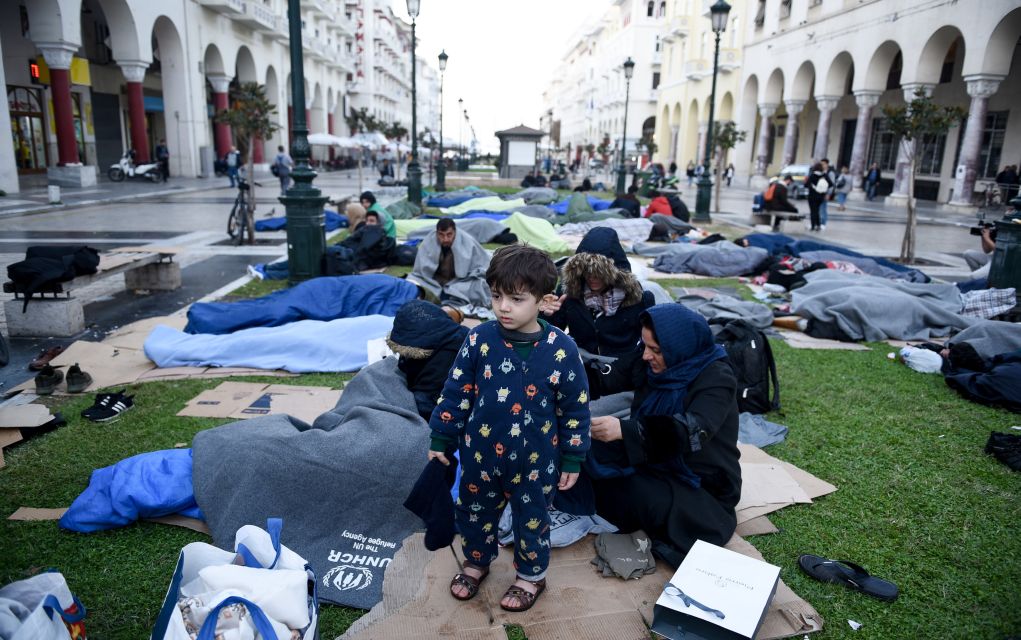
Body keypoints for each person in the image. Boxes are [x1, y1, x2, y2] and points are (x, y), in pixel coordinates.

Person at [428, 244, 591, 611]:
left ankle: (530, 577)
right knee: (474, 512)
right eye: (497, 296)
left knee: (532, 520)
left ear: (543, 300)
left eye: (516, 299)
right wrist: (442, 434)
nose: (503, 307)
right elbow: (455, 391)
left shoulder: (562, 350)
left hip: (537, 462)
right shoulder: (479, 340)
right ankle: (475, 562)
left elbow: (575, 409)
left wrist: (573, 458)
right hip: (481, 457)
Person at [581, 303, 741, 567]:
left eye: (655, 350)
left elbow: (691, 430)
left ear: (680, 348)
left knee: (629, 492)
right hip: (652, 457)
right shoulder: (651, 361)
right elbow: (611, 376)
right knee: (584, 451)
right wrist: (562, 379)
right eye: (644, 346)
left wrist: (624, 430)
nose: (645, 356)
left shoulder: (717, 379)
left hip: (699, 483)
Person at [541, 227, 655, 358]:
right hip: (581, 366)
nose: (592, 277)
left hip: (623, 369)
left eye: (599, 272)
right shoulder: (570, 292)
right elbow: (551, 335)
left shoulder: (635, 295)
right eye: (586, 270)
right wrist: (546, 315)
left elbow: (649, 342)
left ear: (614, 271)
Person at [408, 218, 492, 312]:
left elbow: (481, 267)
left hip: (460, 282)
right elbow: (421, 271)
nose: (445, 239)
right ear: (437, 233)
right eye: (441, 235)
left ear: (455, 232)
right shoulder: (429, 241)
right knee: (411, 281)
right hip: (434, 282)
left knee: (479, 286)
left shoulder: (468, 241)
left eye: (449, 235)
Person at [806, 162, 829, 232]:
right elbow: (830, 184)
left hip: (812, 196)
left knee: (813, 211)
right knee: (817, 211)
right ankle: (818, 225)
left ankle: (813, 226)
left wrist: (812, 187)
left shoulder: (812, 175)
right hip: (821, 196)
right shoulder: (824, 175)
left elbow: (807, 184)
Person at [818, 158, 837, 229]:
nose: (822, 165)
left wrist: (828, 194)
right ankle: (818, 222)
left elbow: (832, 184)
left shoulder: (830, 173)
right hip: (819, 192)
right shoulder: (820, 171)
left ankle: (823, 223)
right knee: (819, 208)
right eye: (821, 164)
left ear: (827, 164)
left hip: (825, 193)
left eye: (823, 164)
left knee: (823, 208)